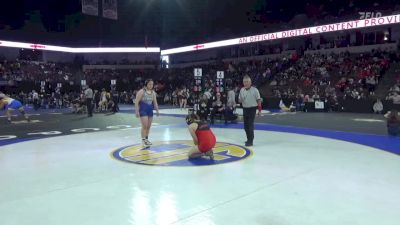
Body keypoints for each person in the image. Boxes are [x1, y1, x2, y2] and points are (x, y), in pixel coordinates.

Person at [135, 79, 160, 147]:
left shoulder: (153, 92)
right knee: (144, 126)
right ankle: (143, 140)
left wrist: (157, 110)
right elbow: (136, 102)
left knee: (148, 127)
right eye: (149, 84)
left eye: (152, 84)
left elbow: (155, 102)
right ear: (146, 84)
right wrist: (137, 111)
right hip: (143, 110)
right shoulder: (142, 91)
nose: (151, 85)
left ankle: (146, 139)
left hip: (150, 110)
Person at [238, 75, 262, 146]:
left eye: (247, 82)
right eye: (244, 82)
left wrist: (259, 110)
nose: (245, 83)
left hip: (252, 109)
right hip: (245, 109)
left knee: (250, 124)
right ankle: (248, 139)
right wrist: (240, 99)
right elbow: (239, 100)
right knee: (245, 126)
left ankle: (251, 141)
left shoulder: (255, 90)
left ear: (250, 82)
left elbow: (259, 100)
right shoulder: (242, 90)